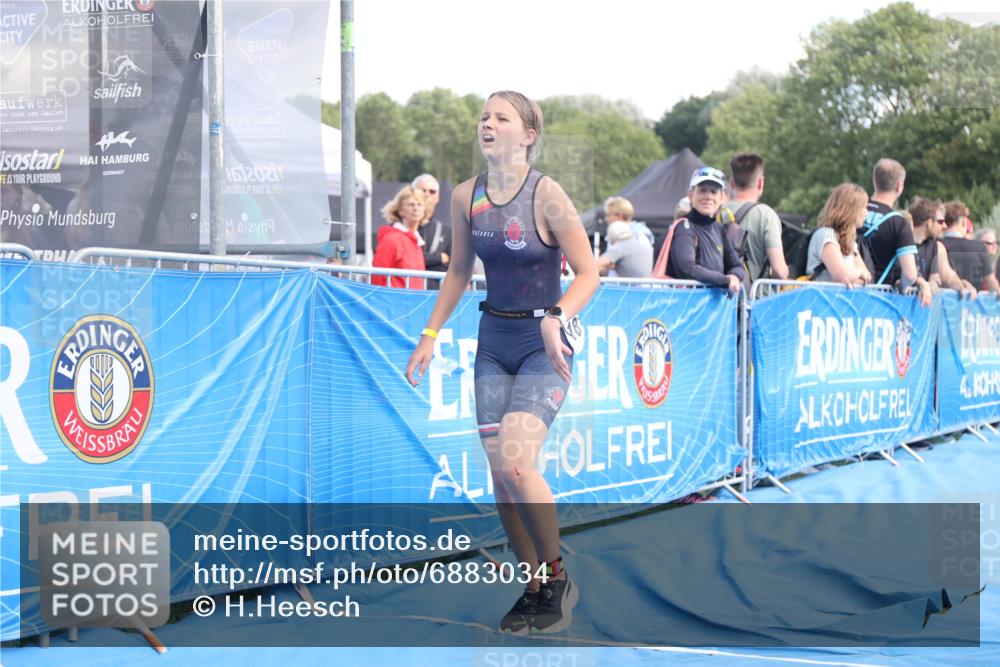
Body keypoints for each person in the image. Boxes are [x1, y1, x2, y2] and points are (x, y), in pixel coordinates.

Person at [406, 90, 598, 635]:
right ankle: (533, 586)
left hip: (543, 344)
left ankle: (558, 578)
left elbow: (589, 273)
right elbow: (458, 272)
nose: (487, 124)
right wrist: (429, 334)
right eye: (484, 116)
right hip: (493, 343)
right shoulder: (465, 196)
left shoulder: (547, 193)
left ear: (528, 134)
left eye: (501, 117)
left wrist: (557, 316)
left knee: (517, 463)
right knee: (501, 480)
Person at [666, 166, 746, 295]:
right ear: (690, 195)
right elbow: (687, 269)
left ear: (722, 197)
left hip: (714, 306)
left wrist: (734, 276)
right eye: (702, 190)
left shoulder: (719, 229)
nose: (708, 196)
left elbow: (737, 266)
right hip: (687, 304)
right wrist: (725, 281)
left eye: (713, 192)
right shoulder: (685, 227)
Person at [721, 153, 789, 281]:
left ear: (732, 183)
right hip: (754, 292)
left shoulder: (717, 212)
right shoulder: (766, 215)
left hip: (718, 291)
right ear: (761, 183)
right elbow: (779, 271)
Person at [861, 159, 920, 294]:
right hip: (878, 296)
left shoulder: (854, 210)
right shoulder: (898, 222)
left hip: (845, 293)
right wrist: (902, 286)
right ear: (899, 186)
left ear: (874, 180)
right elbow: (910, 274)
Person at [805, 184, 874, 286]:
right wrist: (859, 272)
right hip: (822, 295)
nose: (867, 213)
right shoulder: (826, 235)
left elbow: (867, 278)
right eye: (864, 207)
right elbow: (843, 276)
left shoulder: (849, 241)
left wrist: (853, 276)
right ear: (851, 210)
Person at [908, 197, 975, 297]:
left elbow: (948, 276)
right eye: (940, 221)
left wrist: (963, 287)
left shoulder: (936, 246)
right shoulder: (901, 242)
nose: (944, 226)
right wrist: (922, 283)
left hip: (921, 304)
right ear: (929, 223)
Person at [372, 186, 428, 289]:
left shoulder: (417, 241)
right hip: (394, 298)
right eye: (411, 204)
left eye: (419, 204)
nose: (416, 208)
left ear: (424, 210)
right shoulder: (391, 239)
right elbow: (378, 278)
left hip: (414, 298)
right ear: (400, 210)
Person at [941, 201, 1000, 295]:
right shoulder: (978, 247)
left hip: (941, 301)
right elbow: (991, 282)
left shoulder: (936, 245)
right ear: (963, 222)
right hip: (973, 302)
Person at [412, 173, 452, 288]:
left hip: (436, 292)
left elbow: (453, 265)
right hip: (408, 292)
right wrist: (439, 257)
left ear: (437, 197)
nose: (427, 194)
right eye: (422, 190)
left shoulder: (447, 232)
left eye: (432, 191)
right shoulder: (402, 228)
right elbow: (407, 260)